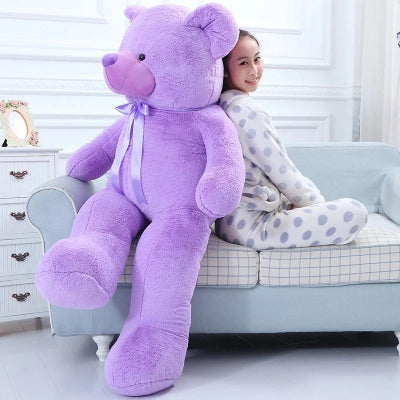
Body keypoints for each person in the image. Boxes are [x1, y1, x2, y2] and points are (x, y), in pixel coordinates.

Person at [215, 30, 368, 250]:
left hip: (230, 222)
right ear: (225, 71)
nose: (254, 70)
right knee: (355, 212)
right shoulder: (246, 112)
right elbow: (283, 172)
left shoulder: (224, 106)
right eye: (243, 63)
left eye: (257, 59)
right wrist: (316, 207)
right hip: (252, 225)